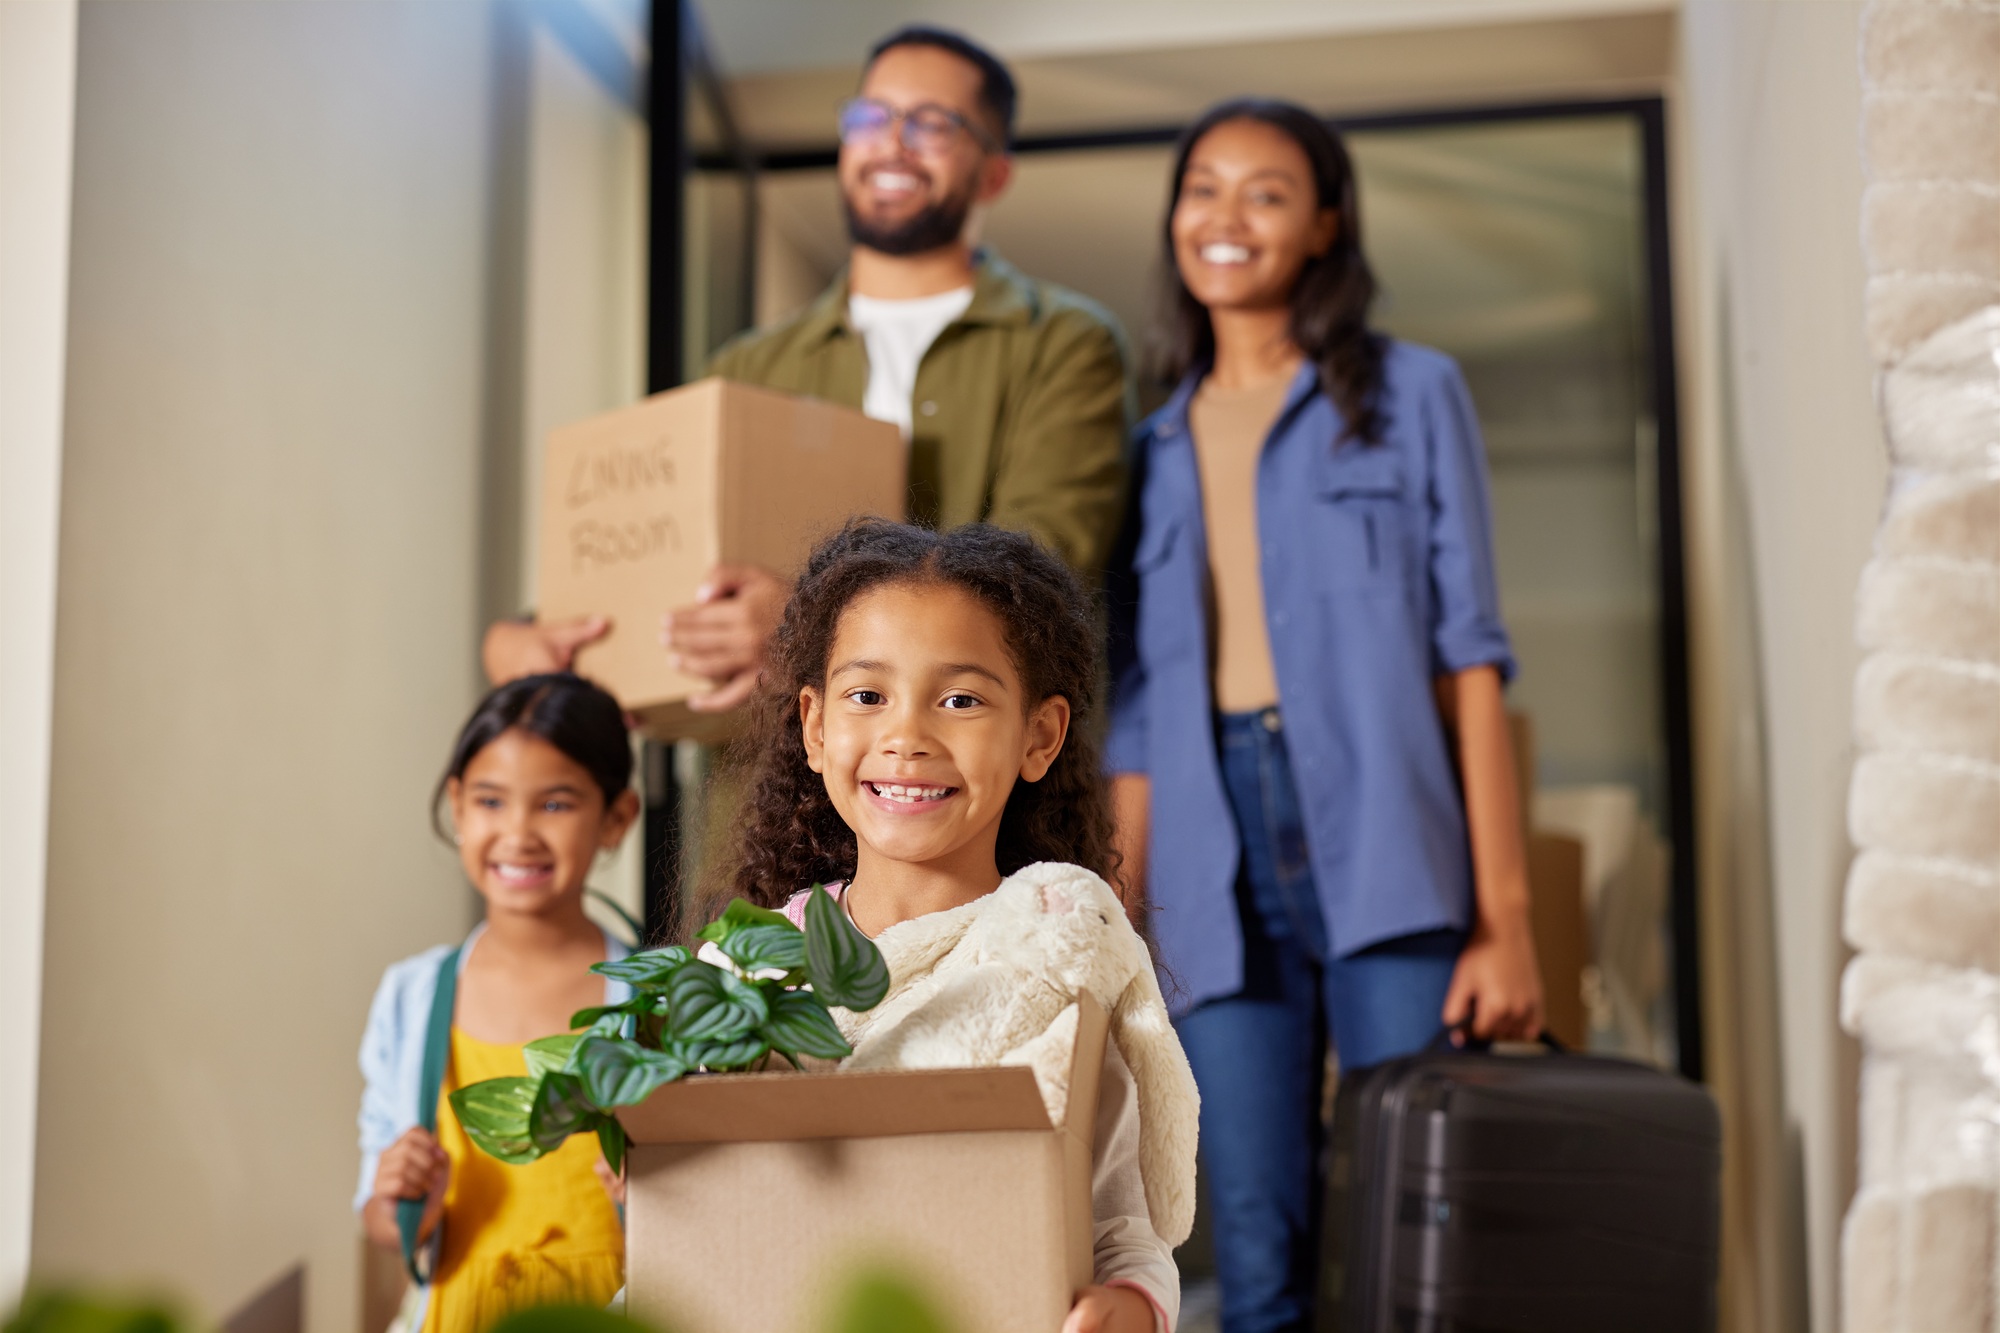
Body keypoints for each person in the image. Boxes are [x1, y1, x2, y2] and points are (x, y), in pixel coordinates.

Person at [1104, 101, 1545, 1333]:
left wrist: (1502, 922)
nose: (1226, 217)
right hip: (1208, 853)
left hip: (1389, 843)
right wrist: (1116, 930)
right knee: (1250, 1240)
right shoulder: (1145, 449)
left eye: (1266, 192)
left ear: (1323, 225)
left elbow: (1470, 659)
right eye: (1203, 187)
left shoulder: (1411, 394)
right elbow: (1133, 713)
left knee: (1422, 1222)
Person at [482, 25, 1130, 712]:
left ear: (995, 170)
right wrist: (535, 638)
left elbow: (1038, 574)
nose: (893, 142)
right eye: (871, 116)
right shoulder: (748, 365)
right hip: (771, 803)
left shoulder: (1063, 342)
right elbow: (666, 573)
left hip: (971, 795)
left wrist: (802, 621)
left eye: (932, 123)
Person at [727, 519, 1184, 1333]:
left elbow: (1121, 1226)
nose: (906, 736)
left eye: (961, 699)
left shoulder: (1056, 955)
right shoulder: (746, 967)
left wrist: (1132, 1307)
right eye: (868, 696)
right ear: (815, 725)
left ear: (1039, 737)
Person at [355, 674, 641, 1333]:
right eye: (490, 800)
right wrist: (401, 1199)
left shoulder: (658, 999)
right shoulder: (413, 997)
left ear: (616, 817)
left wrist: (649, 1190)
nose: (518, 833)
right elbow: (380, 1221)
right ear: (458, 807)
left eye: (556, 803)